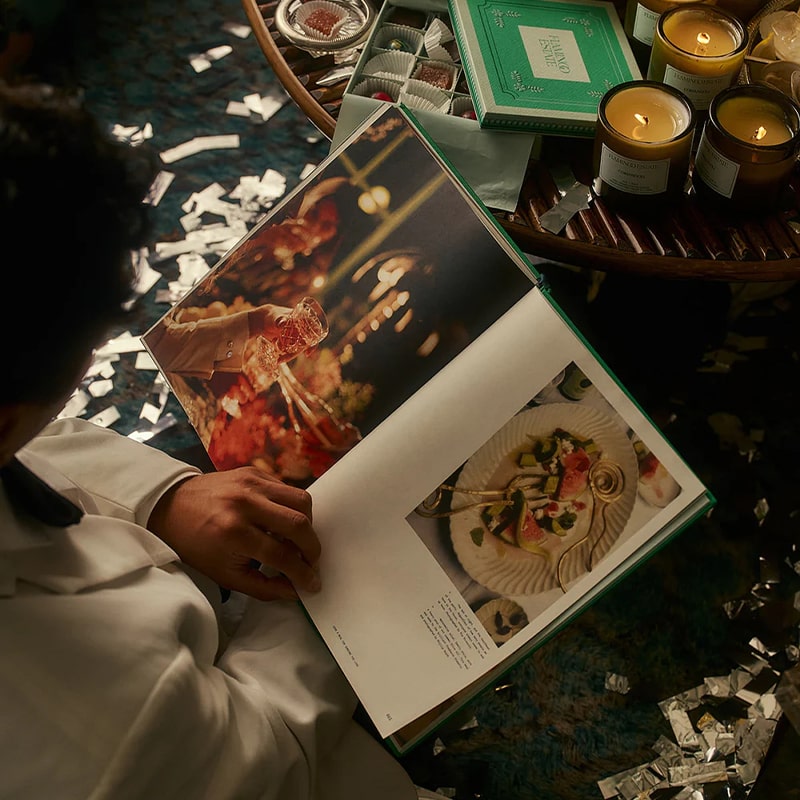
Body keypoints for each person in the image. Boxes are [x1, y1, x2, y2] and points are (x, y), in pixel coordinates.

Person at [0, 79, 421, 799]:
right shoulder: (98, 730)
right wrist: (319, 571)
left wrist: (162, 498)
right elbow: (268, 747)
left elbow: (43, 447)